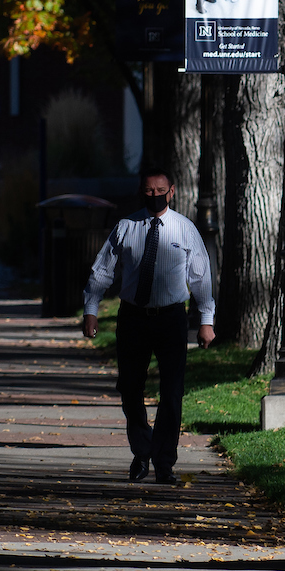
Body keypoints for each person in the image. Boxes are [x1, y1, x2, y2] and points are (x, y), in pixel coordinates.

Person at [81, 168, 215, 484]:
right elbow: (102, 271)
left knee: (172, 393)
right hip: (133, 318)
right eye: (148, 190)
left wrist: (206, 321)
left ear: (172, 192)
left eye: (160, 190)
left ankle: (164, 463)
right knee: (130, 388)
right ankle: (142, 452)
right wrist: (91, 310)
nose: (154, 196)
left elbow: (201, 277)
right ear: (141, 192)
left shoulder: (185, 229)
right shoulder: (126, 228)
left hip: (171, 319)